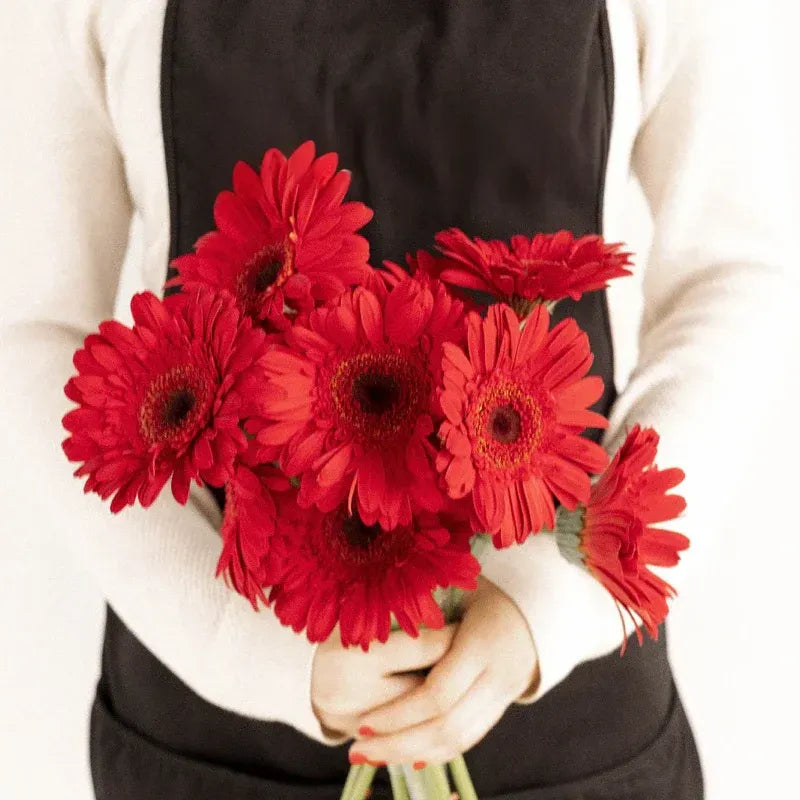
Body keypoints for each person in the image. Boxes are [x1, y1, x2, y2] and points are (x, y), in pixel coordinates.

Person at [0, 1, 792, 798]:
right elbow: (33, 326)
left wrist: (559, 603)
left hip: (571, 717)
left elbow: (732, 271)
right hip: (216, 729)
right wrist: (248, 649)